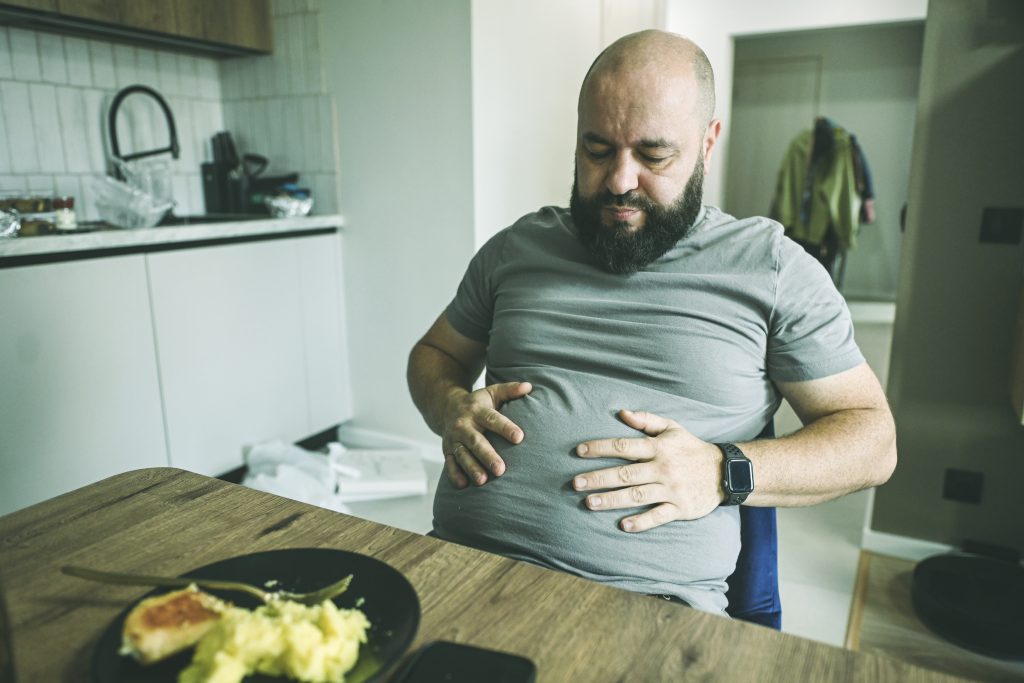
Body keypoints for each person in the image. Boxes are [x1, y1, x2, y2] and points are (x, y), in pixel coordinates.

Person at [406, 29, 896, 616]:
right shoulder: (518, 248)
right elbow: (435, 353)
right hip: (456, 566)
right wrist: (449, 406)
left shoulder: (770, 269)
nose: (619, 180)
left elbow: (873, 442)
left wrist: (724, 470)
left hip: (645, 609)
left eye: (653, 155)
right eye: (597, 150)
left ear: (707, 143)